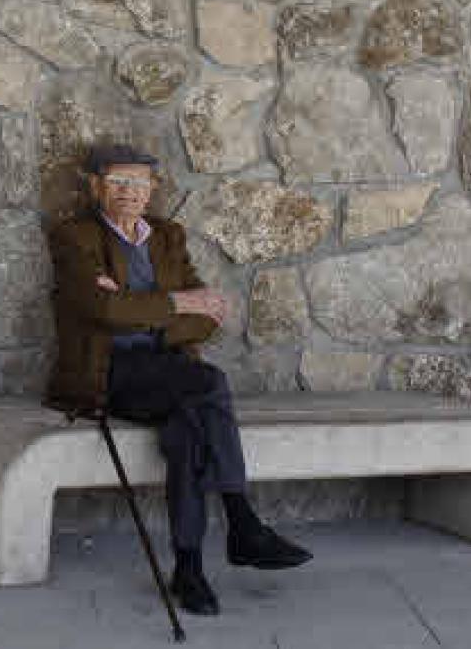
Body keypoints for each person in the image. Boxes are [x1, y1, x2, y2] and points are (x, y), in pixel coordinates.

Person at [45, 143, 312, 615]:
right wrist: (174, 304)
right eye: (118, 182)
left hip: (169, 372)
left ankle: (189, 570)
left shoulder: (167, 236)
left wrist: (139, 308)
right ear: (96, 186)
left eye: (139, 182)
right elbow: (104, 310)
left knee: (188, 432)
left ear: (153, 188)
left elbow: (208, 318)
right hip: (109, 373)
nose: (129, 192)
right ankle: (241, 520)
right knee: (208, 383)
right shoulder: (74, 237)